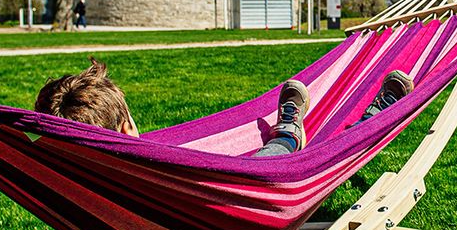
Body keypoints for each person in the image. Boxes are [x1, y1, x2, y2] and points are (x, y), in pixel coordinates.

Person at [34, 59, 414, 156]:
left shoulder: (69, 173)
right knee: (275, 159)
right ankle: (293, 133)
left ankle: (362, 120)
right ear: (125, 130)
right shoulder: (143, 163)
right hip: (234, 223)